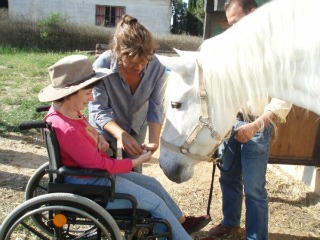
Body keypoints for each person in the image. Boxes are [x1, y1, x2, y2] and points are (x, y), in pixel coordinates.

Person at [38, 54, 210, 240]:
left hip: (93, 177)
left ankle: (180, 225)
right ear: (70, 94)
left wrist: (97, 138)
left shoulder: (67, 113)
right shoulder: (67, 129)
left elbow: (84, 132)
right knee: (155, 204)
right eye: (88, 93)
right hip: (93, 183)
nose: (90, 99)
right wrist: (134, 161)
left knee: (153, 184)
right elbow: (100, 165)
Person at [204, 1, 293, 240]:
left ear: (253, 14)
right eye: (230, 24)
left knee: (254, 189)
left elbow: (285, 98)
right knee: (228, 178)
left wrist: (255, 126)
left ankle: (255, 237)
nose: (234, 29)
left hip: (258, 125)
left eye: (237, 22)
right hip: (230, 123)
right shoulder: (233, 49)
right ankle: (230, 223)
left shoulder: (276, 51)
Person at [89, 14, 166, 174]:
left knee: (134, 168)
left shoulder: (157, 67)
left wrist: (153, 142)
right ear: (118, 52)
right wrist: (120, 134)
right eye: (131, 64)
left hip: (137, 122)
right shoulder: (101, 67)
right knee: (104, 169)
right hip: (105, 124)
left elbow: (156, 106)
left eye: (143, 62)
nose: (138, 68)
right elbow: (98, 109)